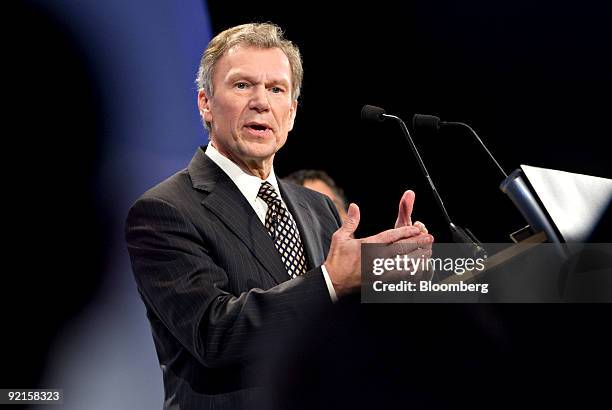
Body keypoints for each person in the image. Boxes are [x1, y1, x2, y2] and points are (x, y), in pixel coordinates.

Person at [125, 22, 432, 409]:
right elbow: (213, 333)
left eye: (276, 89)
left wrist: (389, 279)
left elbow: (341, 329)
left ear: (292, 112)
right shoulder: (164, 211)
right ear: (205, 102)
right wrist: (332, 280)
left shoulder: (316, 208)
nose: (261, 102)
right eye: (242, 85)